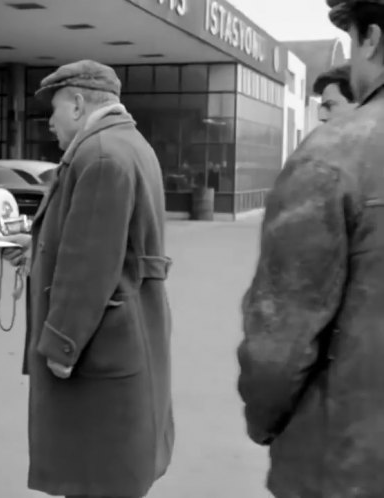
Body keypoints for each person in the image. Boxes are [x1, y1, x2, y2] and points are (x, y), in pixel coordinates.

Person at [2, 60, 174, 498]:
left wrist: (62, 344)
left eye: (54, 110)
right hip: (131, 331)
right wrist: (38, 247)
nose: (51, 124)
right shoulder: (129, 145)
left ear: (78, 104)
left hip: (100, 347)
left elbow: (90, 265)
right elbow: (109, 241)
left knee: (97, 475)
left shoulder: (98, 155)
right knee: (111, 471)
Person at [237, 1, 384, 496]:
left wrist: (263, 419)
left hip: (346, 460)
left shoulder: (334, 156)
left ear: (372, 39)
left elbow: (281, 333)